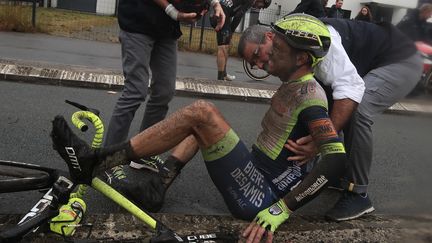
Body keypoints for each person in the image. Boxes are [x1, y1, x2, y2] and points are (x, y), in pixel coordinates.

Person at [51, 14, 348, 243]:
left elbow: (335, 160)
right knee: (202, 123)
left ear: (301, 59)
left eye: (278, 49)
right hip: (256, 175)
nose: (269, 56)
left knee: (202, 113)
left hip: (261, 196)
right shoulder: (295, 84)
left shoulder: (310, 96)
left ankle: (99, 160)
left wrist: (281, 209)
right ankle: (156, 187)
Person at [283, 17, 423, 221]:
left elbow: (349, 95)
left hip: (402, 61)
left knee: (357, 108)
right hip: (379, 59)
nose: (261, 65)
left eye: (260, 58)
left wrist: (319, 142)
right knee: (335, 107)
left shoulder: (322, 42)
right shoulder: (298, 42)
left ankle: (359, 194)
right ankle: (337, 173)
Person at [103, 0, 226, 168]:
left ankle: (143, 154)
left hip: (166, 29)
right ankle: (108, 160)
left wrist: (215, 4)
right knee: (135, 91)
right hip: (137, 21)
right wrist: (172, 11)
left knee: (164, 91)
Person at [213, 0, 272, 81]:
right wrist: (232, 31)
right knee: (223, 48)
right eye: (261, 6)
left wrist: (230, 31)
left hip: (224, 13)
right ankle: (220, 78)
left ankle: (224, 74)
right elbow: (238, 15)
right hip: (222, 15)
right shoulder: (251, 1)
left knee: (226, 47)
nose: (259, 8)